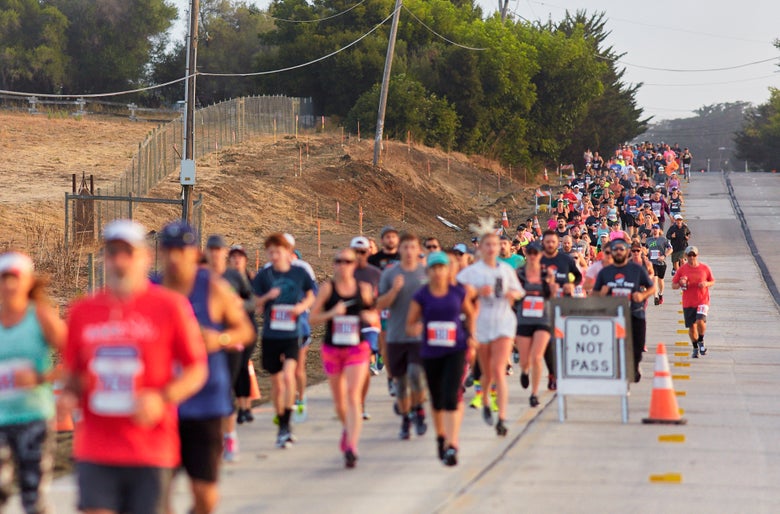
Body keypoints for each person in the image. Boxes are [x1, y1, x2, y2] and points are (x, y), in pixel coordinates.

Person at [62, 220, 208, 514]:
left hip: (150, 447)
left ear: (145, 257)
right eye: (112, 252)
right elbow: (72, 375)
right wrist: (68, 395)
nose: (119, 261)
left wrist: (161, 398)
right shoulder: (82, 311)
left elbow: (196, 369)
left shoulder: (170, 306)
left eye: (127, 253)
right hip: (95, 446)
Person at [157, 222, 254, 514]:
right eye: (169, 250)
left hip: (205, 404)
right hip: (165, 403)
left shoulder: (212, 287)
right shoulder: (153, 289)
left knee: (205, 496)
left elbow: (245, 331)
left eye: (182, 250)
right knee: (158, 492)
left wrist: (220, 338)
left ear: (194, 253)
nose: (175, 257)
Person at [0, 252, 65, 514]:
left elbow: (78, 356)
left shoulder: (40, 317)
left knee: (32, 498)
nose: (9, 285)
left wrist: (40, 378)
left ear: (28, 281)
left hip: (33, 419)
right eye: (4, 278)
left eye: (15, 278)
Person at [406, 252, 477, 466]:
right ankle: (440, 437)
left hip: (455, 349)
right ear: (429, 272)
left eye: (442, 268)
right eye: (434, 268)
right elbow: (409, 324)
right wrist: (417, 328)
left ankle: (452, 443)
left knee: (450, 396)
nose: (438, 272)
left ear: (448, 270)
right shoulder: (422, 295)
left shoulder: (458, 292)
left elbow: (471, 314)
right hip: (431, 352)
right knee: (437, 399)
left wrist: (471, 335)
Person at [456, 222, 524, 436]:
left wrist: (512, 295)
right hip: (482, 323)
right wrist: (475, 292)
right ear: (481, 248)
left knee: (498, 370)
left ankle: (502, 418)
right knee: (485, 370)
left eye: (495, 244)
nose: (492, 248)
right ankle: (485, 400)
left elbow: (519, 292)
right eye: (487, 244)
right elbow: (457, 296)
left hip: (503, 322)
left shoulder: (506, 270)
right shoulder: (471, 272)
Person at [310, 248, 374, 468]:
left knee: (353, 395)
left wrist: (368, 316)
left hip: (357, 348)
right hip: (332, 349)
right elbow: (312, 318)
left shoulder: (363, 289)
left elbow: (374, 314)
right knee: (339, 403)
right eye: (338, 261)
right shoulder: (328, 289)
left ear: (354, 264)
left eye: (347, 261)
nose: (342, 265)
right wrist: (331, 313)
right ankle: (347, 428)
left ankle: (352, 447)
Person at [253, 233, 316, 448]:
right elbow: (255, 303)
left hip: (292, 334)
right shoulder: (264, 276)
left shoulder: (299, 272)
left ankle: (286, 424)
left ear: (287, 252)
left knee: (289, 377)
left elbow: (311, 294)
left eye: (277, 252)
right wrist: (266, 297)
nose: (274, 255)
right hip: (271, 335)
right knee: (277, 383)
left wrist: (301, 307)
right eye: (270, 252)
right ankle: (281, 423)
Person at [376, 233, 428, 440]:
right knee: (402, 383)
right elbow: (379, 305)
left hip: (419, 337)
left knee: (416, 375)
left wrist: (423, 324)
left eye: (412, 247)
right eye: (404, 247)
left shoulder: (425, 275)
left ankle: (419, 410)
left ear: (418, 250)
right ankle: (406, 419)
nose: (408, 251)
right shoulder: (390, 275)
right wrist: (394, 291)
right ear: (400, 250)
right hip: (396, 336)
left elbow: (433, 305)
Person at [594, 239, 656, 382]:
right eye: (615, 249)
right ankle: (619, 370)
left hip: (635, 312)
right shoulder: (605, 272)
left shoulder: (636, 270)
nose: (619, 252)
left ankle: (634, 366)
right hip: (614, 315)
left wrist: (642, 295)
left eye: (622, 249)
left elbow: (652, 288)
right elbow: (594, 294)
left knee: (638, 347)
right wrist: (601, 294)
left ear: (626, 252)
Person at [515, 242, 557, 407]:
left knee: (537, 356)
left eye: (536, 253)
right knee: (525, 360)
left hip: (542, 319)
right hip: (524, 318)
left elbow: (552, 297)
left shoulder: (547, 273)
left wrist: (552, 288)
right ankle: (525, 371)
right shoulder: (519, 273)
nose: (532, 256)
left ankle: (534, 393)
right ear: (526, 253)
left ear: (540, 255)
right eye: (530, 253)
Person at [223, 245, 258, 425]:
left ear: (245, 260)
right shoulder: (224, 280)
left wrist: (240, 305)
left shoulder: (251, 279)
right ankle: (242, 408)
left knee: (243, 364)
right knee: (238, 366)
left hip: (248, 328)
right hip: (232, 329)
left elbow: (256, 301)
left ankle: (245, 406)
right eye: (233, 257)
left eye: (240, 257)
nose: (237, 260)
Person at [349, 237, 382, 418]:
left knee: (363, 365)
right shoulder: (346, 271)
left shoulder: (375, 273)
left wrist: (374, 307)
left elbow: (384, 298)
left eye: (363, 252)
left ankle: (361, 403)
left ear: (368, 253)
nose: (359, 255)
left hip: (370, 324)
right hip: (349, 325)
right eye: (356, 252)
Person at [672, 246, 715, 358]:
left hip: (702, 300)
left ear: (697, 255)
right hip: (688, 302)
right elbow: (674, 285)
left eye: (693, 255)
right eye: (689, 255)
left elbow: (712, 281)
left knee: (700, 320)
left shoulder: (704, 268)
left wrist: (706, 284)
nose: (692, 257)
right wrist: (681, 283)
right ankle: (695, 347)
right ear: (686, 256)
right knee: (692, 328)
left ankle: (701, 340)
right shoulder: (682, 270)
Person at [645, 225, 672, 305]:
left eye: (656, 229)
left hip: (661, 263)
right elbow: (645, 249)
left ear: (659, 230)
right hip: (652, 262)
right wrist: (646, 256)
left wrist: (664, 256)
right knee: (654, 279)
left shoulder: (664, 240)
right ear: (652, 230)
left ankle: (660, 293)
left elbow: (670, 249)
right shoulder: (648, 240)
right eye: (653, 229)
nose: (655, 230)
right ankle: (655, 296)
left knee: (660, 280)